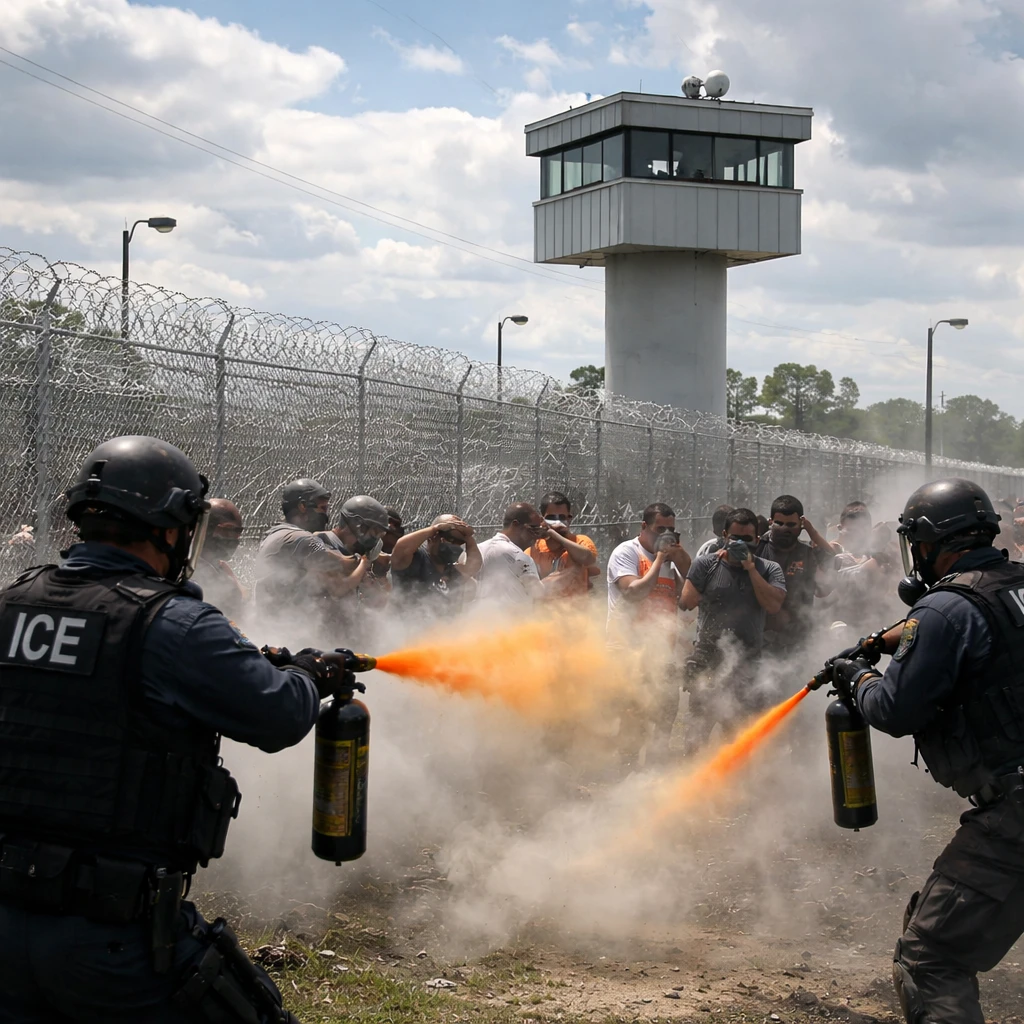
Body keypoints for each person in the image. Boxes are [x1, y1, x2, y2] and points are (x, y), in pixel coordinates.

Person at [0, 435, 355, 1022]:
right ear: (170, 528)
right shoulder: (172, 622)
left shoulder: (12, 603)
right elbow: (278, 715)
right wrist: (308, 673)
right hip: (113, 934)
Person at [830, 478, 1024, 1024]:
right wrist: (892, 637)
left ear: (932, 541)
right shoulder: (1009, 589)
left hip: (1014, 813)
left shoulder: (945, 609)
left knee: (931, 959)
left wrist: (858, 675)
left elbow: (895, 710)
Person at [680, 508, 787, 746]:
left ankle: (735, 782)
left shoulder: (769, 569)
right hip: (708, 659)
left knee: (738, 737)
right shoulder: (706, 564)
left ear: (757, 540)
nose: (740, 543)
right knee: (696, 735)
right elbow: (686, 603)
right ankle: (691, 778)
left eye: (747, 540)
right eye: (735, 538)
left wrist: (749, 568)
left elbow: (773, 606)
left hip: (747, 663)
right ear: (725, 536)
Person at [606, 503, 692, 762]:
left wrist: (678, 557)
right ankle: (626, 767)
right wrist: (659, 559)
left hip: (662, 650)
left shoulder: (670, 559)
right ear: (644, 527)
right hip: (629, 650)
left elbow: (690, 591)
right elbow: (634, 592)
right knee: (633, 714)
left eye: (671, 530)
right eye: (659, 529)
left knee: (667, 711)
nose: (665, 535)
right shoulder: (627, 552)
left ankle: (657, 765)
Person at [254, 478, 351, 613]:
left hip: (272, 620)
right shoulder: (303, 539)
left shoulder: (274, 533)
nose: (326, 516)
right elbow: (344, 568)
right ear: (303, 506)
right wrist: (365, 559)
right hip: (287, 625)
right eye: (322, 508)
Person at [754, 494, 835, 655]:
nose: (785, 529)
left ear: (801, 524)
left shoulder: (807, 553)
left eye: (791, 524)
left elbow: (831, 561)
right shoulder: (758, 549)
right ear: (770, 522)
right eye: (779, 523)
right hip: (762, 637)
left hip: (798, 639)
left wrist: (812, 532)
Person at [389, 513, 482, 606]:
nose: (453, 544)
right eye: (449, 538)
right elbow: (401, 548)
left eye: (458, 541)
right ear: (432, 538)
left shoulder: (452, 572)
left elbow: (474, 565)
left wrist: (468, 537)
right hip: (409, 619)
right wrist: (436, 528)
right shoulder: (416, 560)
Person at [526, 491, 599, 600]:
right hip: (542, 613)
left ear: (569, 519)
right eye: (552, 518)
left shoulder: (580, 541)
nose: (557, 522)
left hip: (577, 614)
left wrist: (553, 534)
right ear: (542, 520)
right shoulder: (533, 550)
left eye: (562, 517)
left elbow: (588, 559)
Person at [475, 502, 547, 606]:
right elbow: (539, 596)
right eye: (534, 528)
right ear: (515, 525)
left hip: (476, 619)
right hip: (515, 620)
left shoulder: (476, 550)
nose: (537, 535)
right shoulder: (520, 557)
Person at [192, 497, 248, 622]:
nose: (235, 538)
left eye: (238, 532)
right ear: (207, 529)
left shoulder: (221, 567)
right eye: (229, 530)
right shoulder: (191, 569)